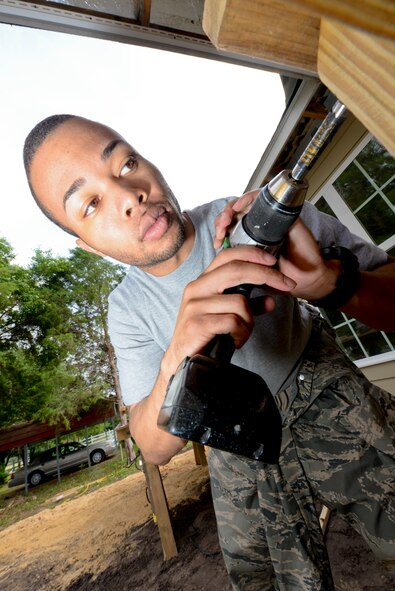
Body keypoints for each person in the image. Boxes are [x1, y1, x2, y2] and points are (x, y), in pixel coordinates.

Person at [23, 114, 395, 591]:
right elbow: (152, 445)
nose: (129, 196)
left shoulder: (257, 219)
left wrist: (329, 282)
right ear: (86, 246)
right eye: (91, 204)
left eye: (127, 162)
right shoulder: (127, 310)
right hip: (237, 451)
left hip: (332, 398)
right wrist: (177, 357)